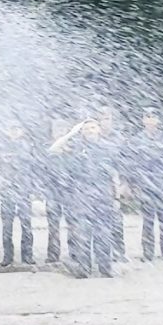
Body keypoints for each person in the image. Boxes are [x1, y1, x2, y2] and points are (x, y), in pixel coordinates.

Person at [50, 118, 119, 278]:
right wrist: (71, 133)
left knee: (104, 234)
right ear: (81, 132)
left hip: (103, 195)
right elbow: (53, 149)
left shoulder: (109, 147)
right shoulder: (75, 147)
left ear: (99, 129)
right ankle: (84, 268)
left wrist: (116, 198)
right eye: (86, 129)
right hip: (81, 195)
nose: (90, 131)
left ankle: (105, 268)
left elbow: (116, 173)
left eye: (93, 127)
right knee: (82, 234)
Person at [125, 107, 163, 261]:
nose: (150, 120)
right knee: (147, 221)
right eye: (147, 117)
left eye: (153, 117)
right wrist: (133, 184)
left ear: (158, 120)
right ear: (143, 120)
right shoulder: (136, 141)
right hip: (145, 186)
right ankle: (148, 253)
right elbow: (132, 164)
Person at [0, 118, 37, 266]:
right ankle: (7, 256)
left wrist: (32, 188)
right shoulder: (1, 147)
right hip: (7, 190)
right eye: (12, 129)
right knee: (7, 226)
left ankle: (27, 255)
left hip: (23, 190)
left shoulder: (28, 146)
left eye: (17, 129)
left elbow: (33, 168)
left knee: (26, 225)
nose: (14, 132)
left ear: (22, 131)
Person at [97, 105, 129, 262]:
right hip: (98, 184)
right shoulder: (93, 138)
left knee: (116, 219)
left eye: (108, 118)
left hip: (114, 183)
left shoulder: (119, 139)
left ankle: (118, 251)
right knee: (99, 220)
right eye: (102, 119)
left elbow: (125, 162)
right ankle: (101, 252)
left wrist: (124, 183)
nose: (105, 122)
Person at [43, 118, 76, 264]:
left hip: (70, 191)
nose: (60, 132)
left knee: (72, 223)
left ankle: (74, 253)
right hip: (53, 190)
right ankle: (53, 253)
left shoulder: (74, 148)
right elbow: (42, 168)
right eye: (57, 129)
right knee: (53, 224)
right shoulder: (47, 147)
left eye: (63, 129)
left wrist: (68, 153)